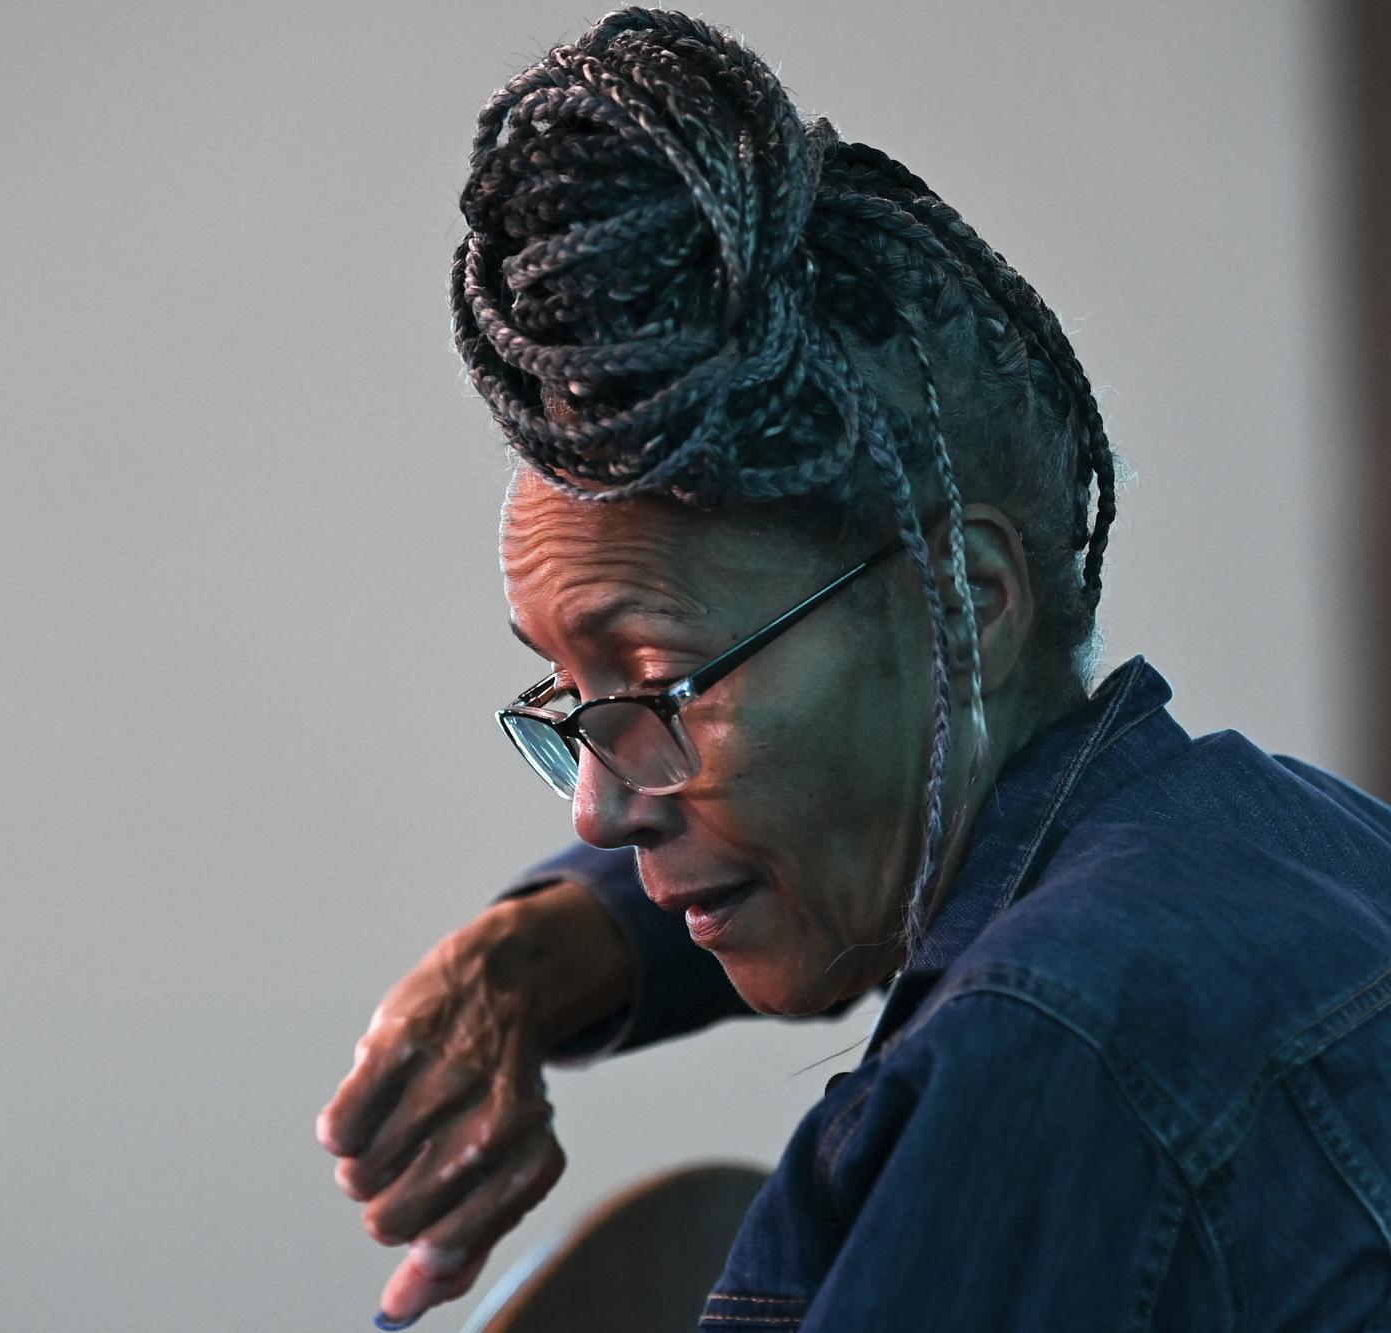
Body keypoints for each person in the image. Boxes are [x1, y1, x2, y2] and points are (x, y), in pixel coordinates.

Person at [315, 9, 1391, 1330]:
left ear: (964, 605)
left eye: (655, 685)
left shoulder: (1039, 1055)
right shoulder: (1299, 847)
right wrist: (542, 948)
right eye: (569, 701)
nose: (597, 806)